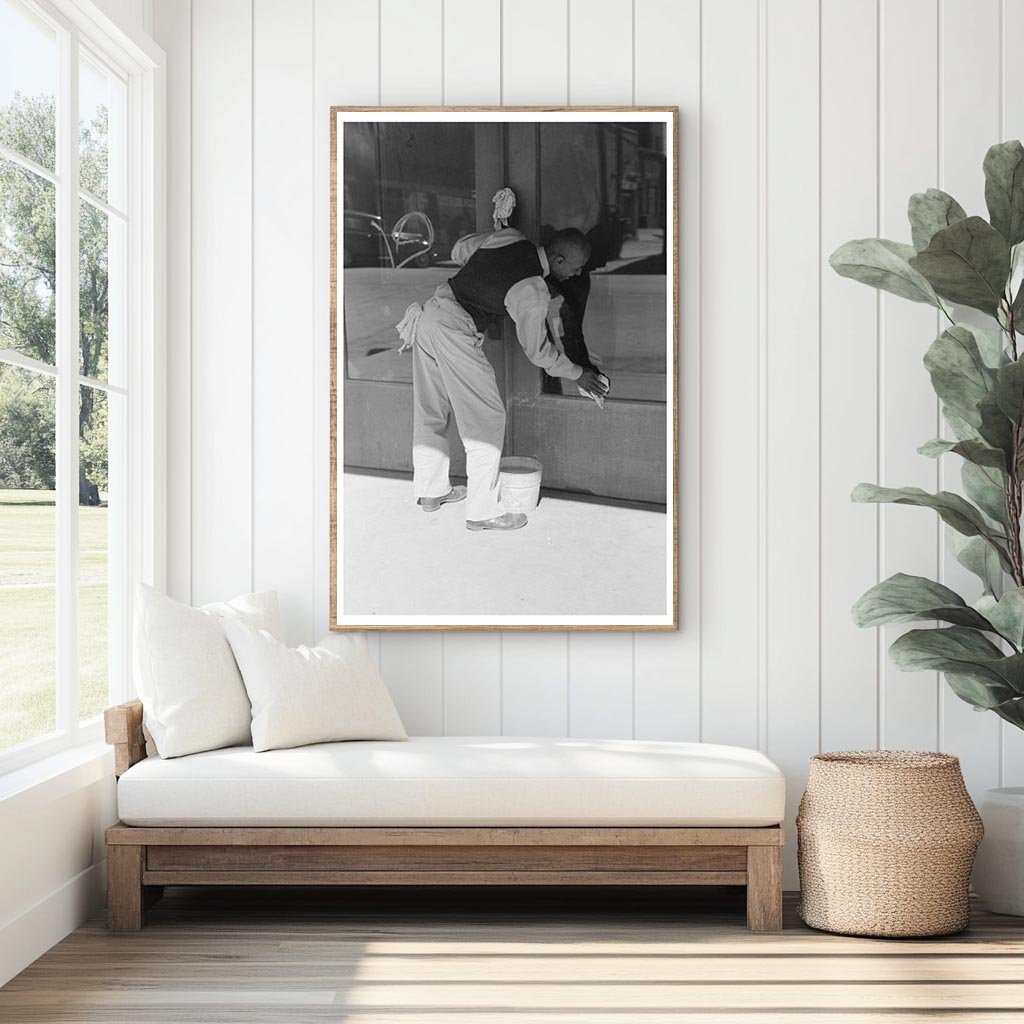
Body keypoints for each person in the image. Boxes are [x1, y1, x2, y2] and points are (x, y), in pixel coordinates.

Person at [400, 224, 607, 532]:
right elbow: (538, 352)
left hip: (428, 318)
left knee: (431, 409)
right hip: (454, 330)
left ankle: (432, 491)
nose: (576, 275)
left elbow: (460, 250)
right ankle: (483, 512)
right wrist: (578, 373)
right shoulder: (533, 290)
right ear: (559, 260)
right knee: (487, 419)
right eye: (576, 268)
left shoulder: (509, 238)